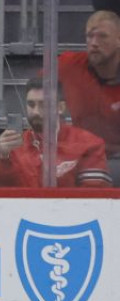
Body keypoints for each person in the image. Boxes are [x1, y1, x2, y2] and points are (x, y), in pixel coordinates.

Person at [0, 78, 112, 188]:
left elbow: (94, 197)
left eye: (43, 104)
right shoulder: (15, 144)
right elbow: (3, 195)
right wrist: (5, 158)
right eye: (31, 104)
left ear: (60, 107)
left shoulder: (89, 144)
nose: (35, 112)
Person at [59, 10, 120, 185]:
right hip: (83, 156)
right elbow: (36, 89)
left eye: (102, 37)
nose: (94, 43)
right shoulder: (69, 65)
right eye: (89, 36)